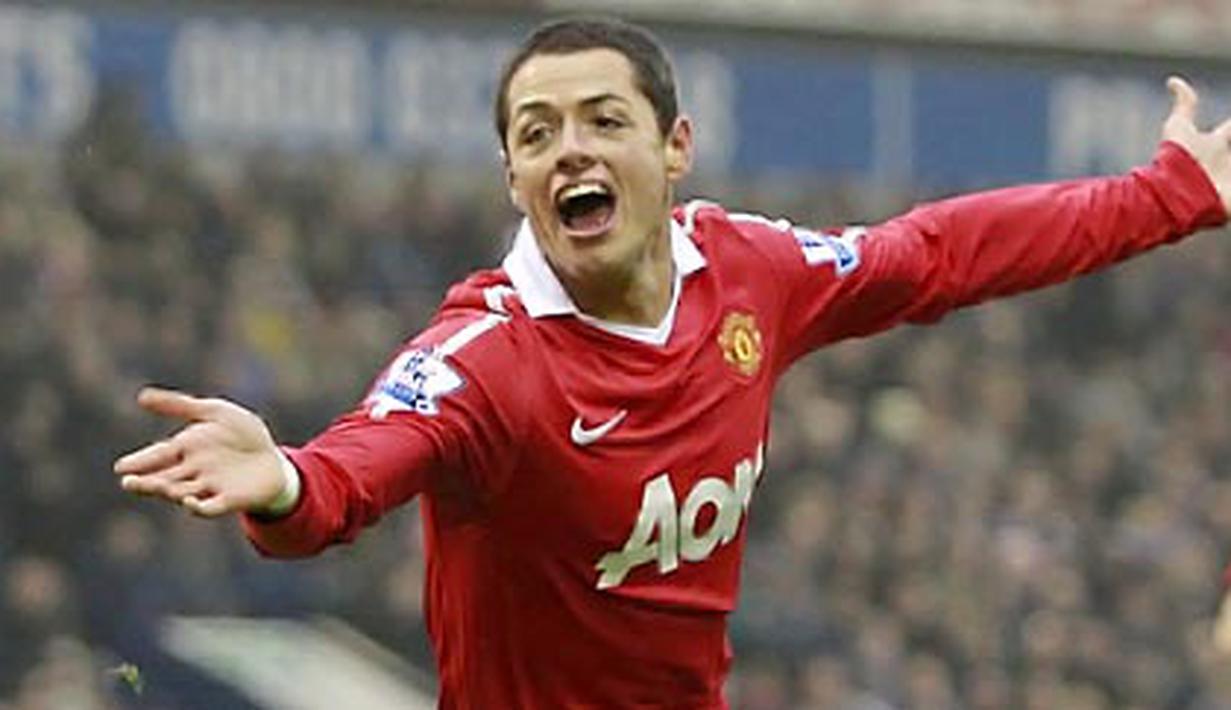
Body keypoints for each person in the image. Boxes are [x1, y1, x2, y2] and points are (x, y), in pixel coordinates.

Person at [113, 17, 1231, 709]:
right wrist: (288, 482)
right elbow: (362, 464)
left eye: (602, 119)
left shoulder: (748, 270)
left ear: (673, 147)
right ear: (512, 177)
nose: (572, 150)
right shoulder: (483, 359)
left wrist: (1166, 195)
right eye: (538, 134)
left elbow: (934, 253)